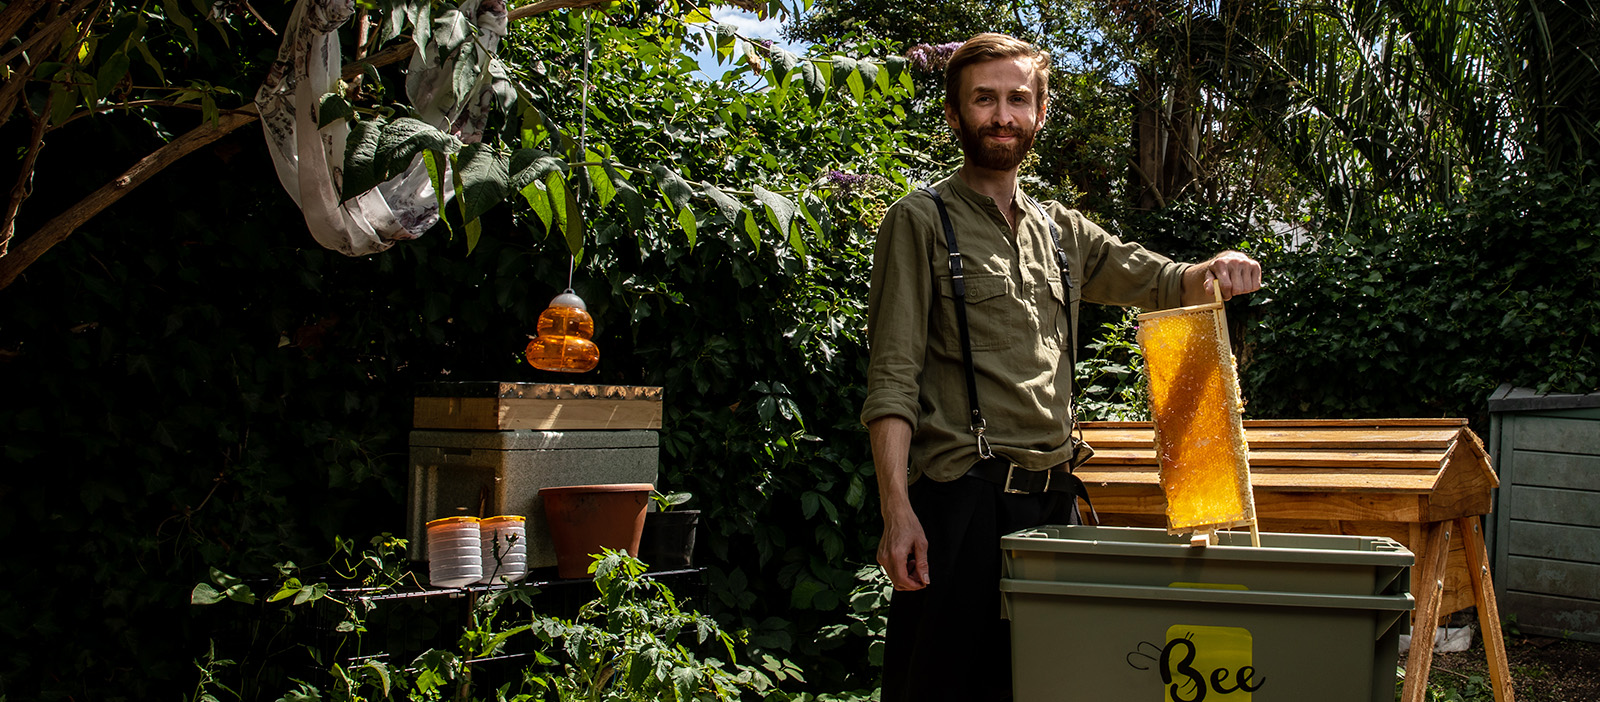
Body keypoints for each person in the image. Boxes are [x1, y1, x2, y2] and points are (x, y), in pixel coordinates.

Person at [859, 33, 1263, 702]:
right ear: (956, 115)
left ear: (1040, 114)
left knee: (1052, 687)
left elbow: (1164, 281)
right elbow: (892, 382)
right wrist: (898, 510)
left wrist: (1213, 269)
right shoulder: (920, 222)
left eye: (1019, 99)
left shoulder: (1061, 230)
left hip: (1052, 506)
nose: (1002, 115)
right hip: (960, 501)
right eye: (983, 99)